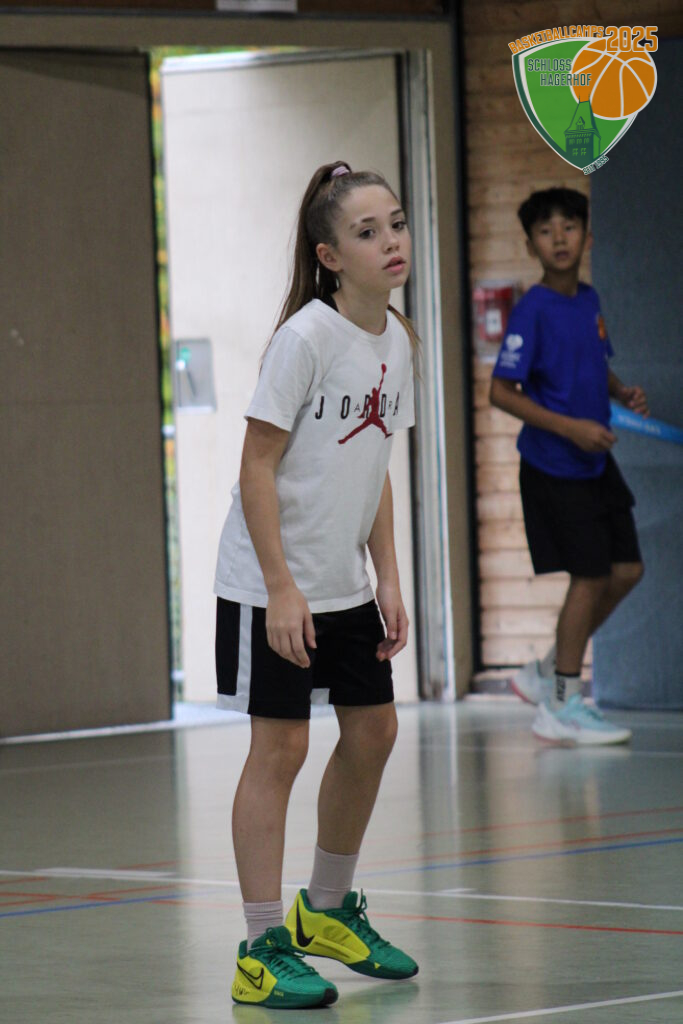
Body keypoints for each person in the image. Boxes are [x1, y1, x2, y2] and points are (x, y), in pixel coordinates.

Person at [214, 161, 419, 1009]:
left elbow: (372, 465)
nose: (390, 241)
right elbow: (255, 467)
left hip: (344, 584)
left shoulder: (396, 338)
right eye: (367, 232)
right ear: (330, 256)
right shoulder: (304, 339)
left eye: (395, 223)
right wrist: (281, 588)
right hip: (270, 583)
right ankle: (260, 946)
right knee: (282, 750)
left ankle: (326, 911)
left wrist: (388, 578)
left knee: (373, 732)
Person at [489, 187, 647, 745]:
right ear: (531, 245)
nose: (559, 237)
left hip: (595, 464)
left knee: (627, 570)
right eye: (545, 230)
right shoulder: (532, 310)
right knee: (591, 576)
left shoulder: (589, 299)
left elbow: (593, 362)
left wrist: (620, 391)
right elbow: (500, 392)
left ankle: (545, 672)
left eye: (569, 226)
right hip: (554, 465)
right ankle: (561, 702)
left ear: (588, 237)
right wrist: (571, 428)